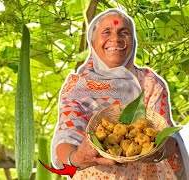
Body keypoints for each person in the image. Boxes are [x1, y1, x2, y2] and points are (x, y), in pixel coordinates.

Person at [51, 8, 188, 179]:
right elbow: (66, 136)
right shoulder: (77, 87)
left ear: (133, 41)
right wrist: (77, 157)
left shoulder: (149, 83)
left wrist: (159, 150)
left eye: (124, 32)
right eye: (106, 32)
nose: (115, 38)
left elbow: (167, 134)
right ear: (92, 42)